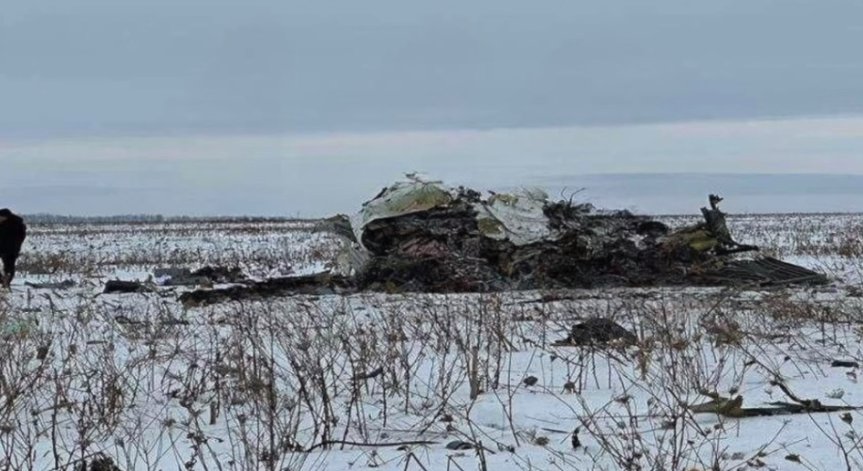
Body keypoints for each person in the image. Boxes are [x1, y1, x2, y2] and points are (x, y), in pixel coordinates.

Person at [0, 209, 26, 288]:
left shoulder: (16, 224)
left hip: (11, 250)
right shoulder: (3, 223)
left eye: (0, 217)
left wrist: (15, 246)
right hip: (3, 248)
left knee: (9, 267)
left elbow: (21, 237)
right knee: (9, 267)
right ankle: (3, 280)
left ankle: (6, 282)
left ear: (5, 216)